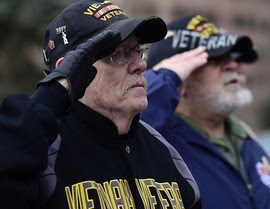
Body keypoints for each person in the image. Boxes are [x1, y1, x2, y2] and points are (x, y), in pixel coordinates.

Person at [0, 1, 202, 209]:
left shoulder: (163, 150)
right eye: (118, 54)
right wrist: (55, 91)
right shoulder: (44, 148)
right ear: (70, 71)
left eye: (137, 50)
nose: (141, 65)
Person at [141, 14, 270, 209]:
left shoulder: (244, 138)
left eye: (232, 56)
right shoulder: (156, 145)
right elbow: (126, 116)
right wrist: (163, 78)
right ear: (179, 78)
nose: (233, 65)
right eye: (215, 57)